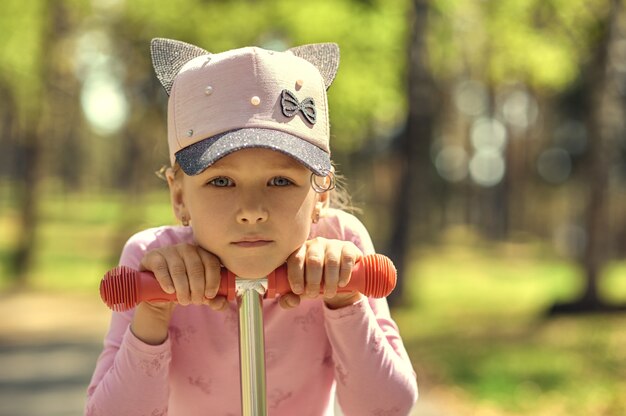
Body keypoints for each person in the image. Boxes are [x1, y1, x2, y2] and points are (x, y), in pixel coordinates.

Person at [85, 38, 418, 416]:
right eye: (221, 182)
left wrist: (345, 301)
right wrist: (154, 315)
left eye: (280, 181)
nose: (252, 211)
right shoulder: (153, 265)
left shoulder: (343, 248)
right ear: (179, 197)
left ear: (320, 194)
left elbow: (387, 407)